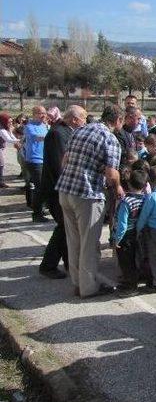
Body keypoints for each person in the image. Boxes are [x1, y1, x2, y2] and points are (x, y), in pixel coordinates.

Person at [56, 105, 124, 298]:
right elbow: (112, 174)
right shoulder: (110, 139)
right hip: (87, 194)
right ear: (117, 119)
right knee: (89, 244)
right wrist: (118, 185)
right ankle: (89, 288)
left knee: (74, 241)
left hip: (66, 189)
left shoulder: (80, 131)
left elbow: (65, 160)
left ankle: (78, 283)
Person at [39, 106, 87, 279]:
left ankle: (69, 263)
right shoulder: (57, 134)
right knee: (63, 227)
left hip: (64, 188)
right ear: (74, 119)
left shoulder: (67, 132)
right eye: (83, 118)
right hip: (58, 190)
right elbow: (59, 165)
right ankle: (48, 265)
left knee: (67, 227)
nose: (84, 122)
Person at [113, 169, 148, 297]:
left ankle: (131, 287)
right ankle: (129, 282)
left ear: (129, 184)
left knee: (126, 262)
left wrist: (117, 239)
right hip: (135, 233)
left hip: (125, 236)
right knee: (132, 259)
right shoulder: (144, 199)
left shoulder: (126, 202)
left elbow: (122, 223)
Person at [23, 106, 49, 222]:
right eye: (40, 113)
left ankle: (41, 208)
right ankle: (37, 214)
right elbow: (38, 138)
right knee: (40, 187)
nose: (43, 115)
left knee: (43, 186)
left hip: (44, 160)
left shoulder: (44, 126)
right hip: (34, 160)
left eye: (44, 113)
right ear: (34, 114)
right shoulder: (29, 127)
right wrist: (52, 136)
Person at [0, 112, 20, 188]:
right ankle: (1, 182)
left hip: (1, 147)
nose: (11, 123)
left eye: (11, 121)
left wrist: (17, 140)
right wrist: (21, 140)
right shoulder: (1, 129)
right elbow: (8, 139)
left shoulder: (6, 127)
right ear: (4, 121)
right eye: (9, 122)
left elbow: (12, 136)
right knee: (1, 164)